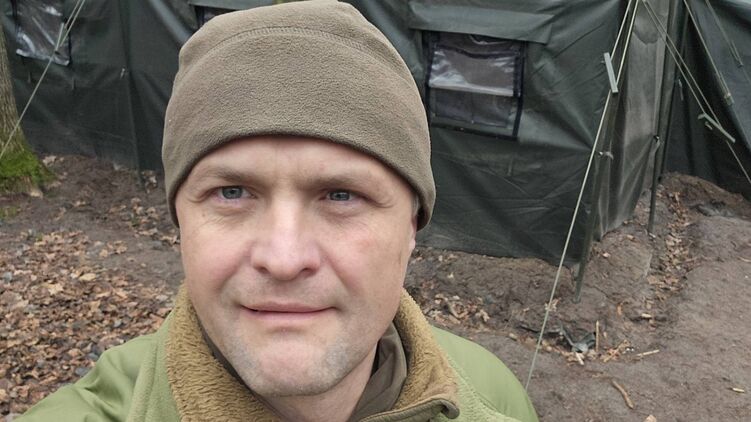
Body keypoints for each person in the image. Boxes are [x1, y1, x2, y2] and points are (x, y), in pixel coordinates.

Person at [18, 1, 538, 421]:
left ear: (411, 227)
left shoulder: (494, 397)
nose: (284, 259)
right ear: (181, 224)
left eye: (341, 195)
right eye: (231, 193)